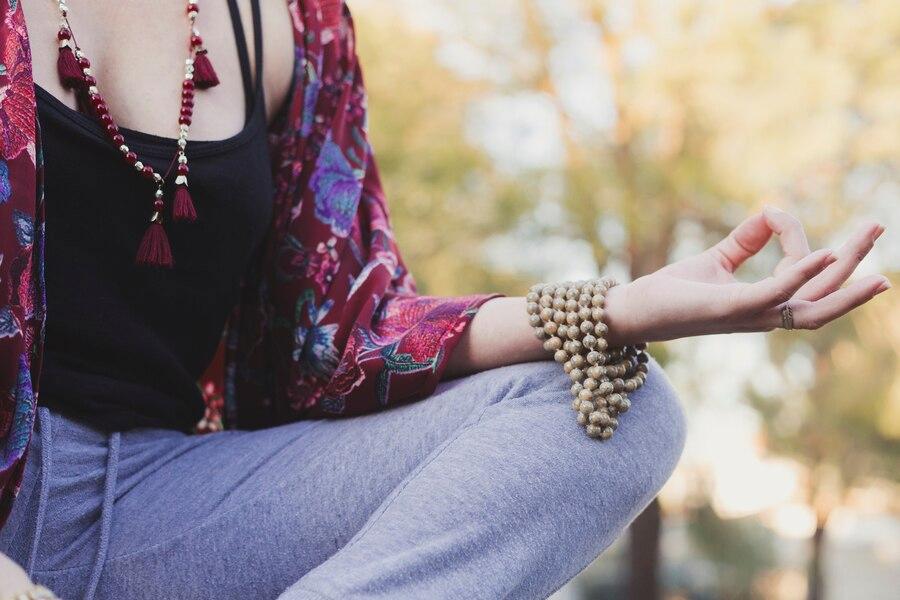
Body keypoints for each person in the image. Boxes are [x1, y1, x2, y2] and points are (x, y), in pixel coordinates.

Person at [0, 1, 889, 599]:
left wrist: (613, 311)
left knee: (612, 406)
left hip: (166, 502)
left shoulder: (295, 25)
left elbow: (338, 330)